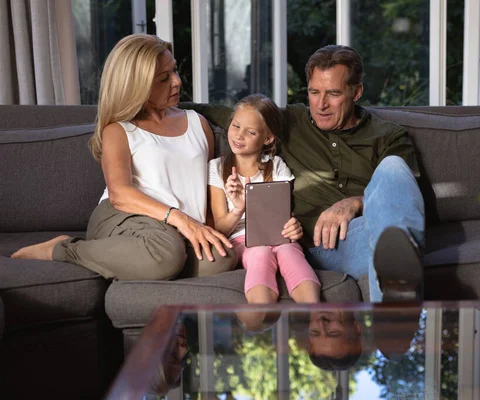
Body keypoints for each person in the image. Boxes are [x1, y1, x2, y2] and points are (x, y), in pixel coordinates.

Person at [197, 45, 425, 302]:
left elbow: (406, 195)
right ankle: (400, 302)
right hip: (324, 246)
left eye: (334, 93)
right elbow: (232, 115)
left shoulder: (388, 135)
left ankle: (396, 304)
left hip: (374, 228)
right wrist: (158, 106)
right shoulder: (290, 121)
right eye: (314, 92)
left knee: (394, 169)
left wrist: (355, 202)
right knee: (391, 247)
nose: (321, 104)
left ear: (356, 92)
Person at [11, 33, 237, 279]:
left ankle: (153, 260)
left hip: (176, 230)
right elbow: (120, 194)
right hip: (126, 216)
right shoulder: (119, 130)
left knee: (221, 258)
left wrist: (207, 228)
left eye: (174, 71)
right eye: (163, 78)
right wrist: (181, 219)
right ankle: (65, 249)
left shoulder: (198, 123)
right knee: (166, 254)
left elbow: (209, 189)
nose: (176, 82)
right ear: (137, 85)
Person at [209, 94, 321, 307]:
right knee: (260, 251)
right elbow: (220, 229)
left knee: (289, 249)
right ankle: (261, 317)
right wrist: (239, 208)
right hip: (243, 240)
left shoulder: (276, 166)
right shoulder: (217, 168)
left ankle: (315, 313)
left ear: (267, 138)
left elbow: (285, 214)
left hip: (277, 236)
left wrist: (293, 227)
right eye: (236, 126)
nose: (239, 136)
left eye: (250, 132)